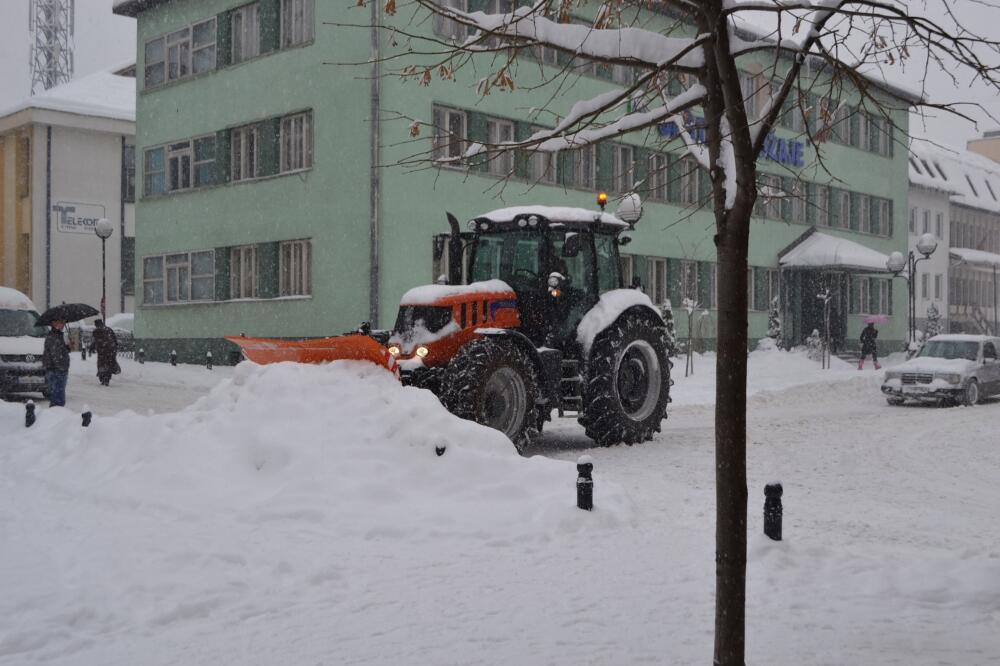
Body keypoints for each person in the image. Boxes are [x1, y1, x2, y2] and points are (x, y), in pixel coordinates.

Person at [42, 319, 70, 406]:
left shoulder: (57, 335)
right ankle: (56, 415)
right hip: (56, 370)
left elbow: (58, 351)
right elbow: (56, 355)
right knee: (58, 399)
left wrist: (66, 348)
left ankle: (56, 414)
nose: (63, 324)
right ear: (54, 323)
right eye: (61, 322)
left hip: (56, 369)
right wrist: (62, 367)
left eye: (64, 322)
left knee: (57, 397)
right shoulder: (54, 337)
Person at [89, 319, 119, 386]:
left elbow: (94, 341)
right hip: (110, 351)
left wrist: (91, 348)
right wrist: (115, 349)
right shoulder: (109, 329)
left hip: (101, 352)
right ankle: (107, 378)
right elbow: (115, 340)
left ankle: (102, 378)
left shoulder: (96, 331)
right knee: (109, 364)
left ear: (96, 324)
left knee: (101, 365)